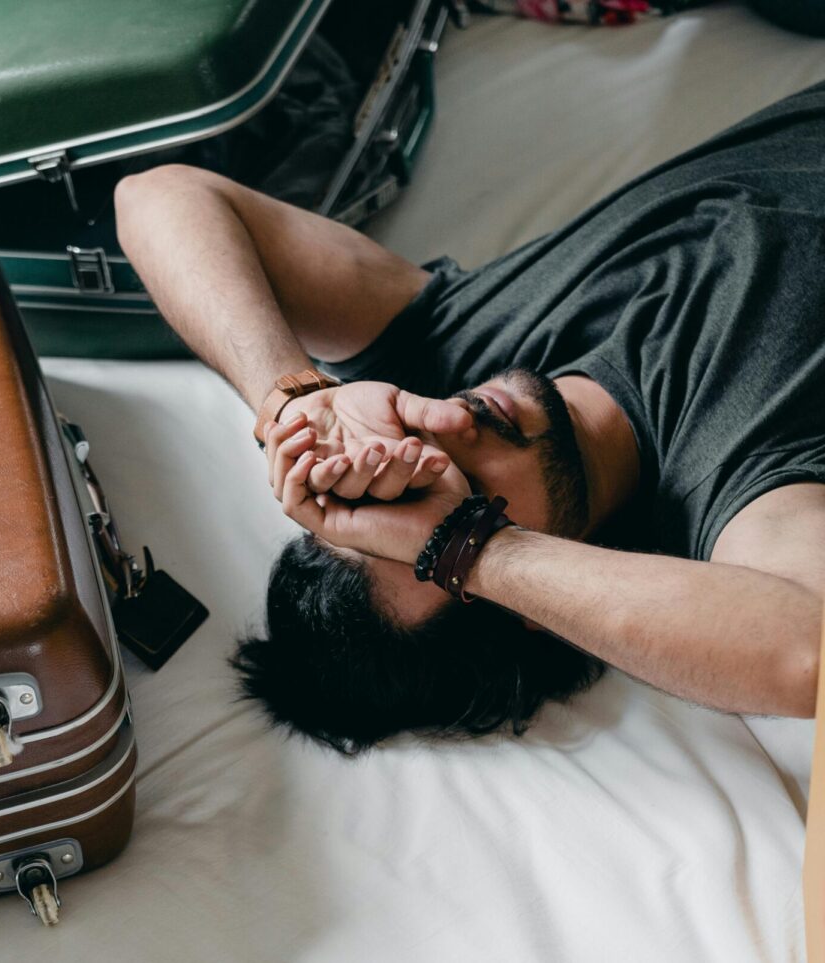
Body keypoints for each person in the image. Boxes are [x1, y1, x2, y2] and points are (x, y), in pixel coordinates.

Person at [114, 81, 825, 753]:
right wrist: (473, 548)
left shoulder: (458, 344)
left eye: (389, 481)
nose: (441, 435)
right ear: (531, 606)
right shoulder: (734, 481)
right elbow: (809, 648)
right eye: (443, 502)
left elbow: (158, 195)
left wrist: (293, 402)